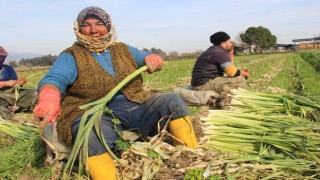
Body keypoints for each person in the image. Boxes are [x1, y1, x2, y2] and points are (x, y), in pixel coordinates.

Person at [33, 6, 198, 180]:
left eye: (99, 24)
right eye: (87, 25)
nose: (94, 30)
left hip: (135, 103)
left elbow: (146, 57)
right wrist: (48, 99)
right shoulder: (71, 56)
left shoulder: (122, 49)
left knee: (171, 101)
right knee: (92, 133)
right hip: (94, 112)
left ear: (109, 26)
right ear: (78, 28)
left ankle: (190, 155)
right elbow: (54, 79)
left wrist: (153, 59)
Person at [0, 46, 38, 119]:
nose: (2, 59)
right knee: (4, 113)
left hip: (11, 94)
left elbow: (15, 83)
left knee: (35, 93)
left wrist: (18, 83)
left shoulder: (8, 69)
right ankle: (7, 110)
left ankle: (15, 107)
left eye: (3, 57)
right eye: (0, 57)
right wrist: (6, 83)